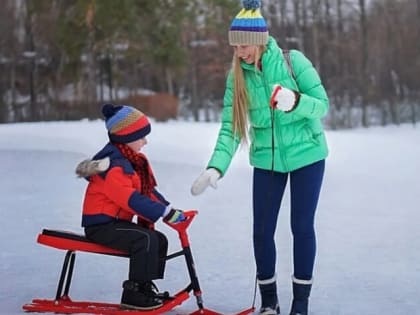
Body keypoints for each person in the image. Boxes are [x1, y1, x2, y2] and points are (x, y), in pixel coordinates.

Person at [190, 1, 329, 314]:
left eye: (244, 45)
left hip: (308, 155)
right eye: (235, 46)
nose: (240, 52)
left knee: (301, 227)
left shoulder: (294, 62)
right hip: (267, 161)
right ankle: (269, 303)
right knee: (262, 231)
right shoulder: (237, 78)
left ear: (260, 40)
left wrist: (295, 101)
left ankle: (300, 305)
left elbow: (322, 105)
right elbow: (231, 129)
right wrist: (216, 167)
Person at [75, 103, 185, 310]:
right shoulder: (114, 166)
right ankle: (133, 293)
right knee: (145, 239)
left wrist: (171, 210)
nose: (145, 141)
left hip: (116, 223)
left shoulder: (131, 161)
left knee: (158, 240)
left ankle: (144, 287)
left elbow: (147, 191)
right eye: (141, 136)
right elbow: (130, 198)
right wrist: (162, 212)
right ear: (126, 137)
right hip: (101, 226)